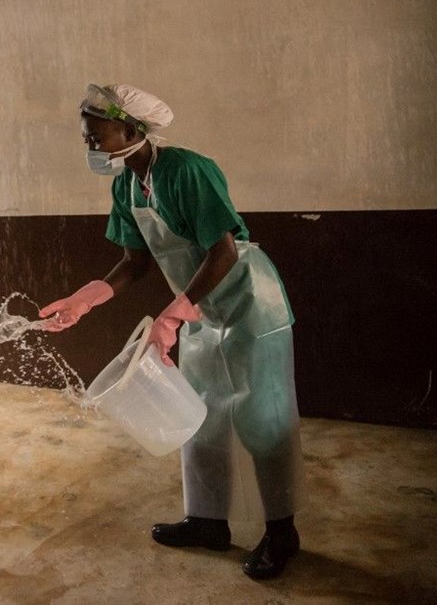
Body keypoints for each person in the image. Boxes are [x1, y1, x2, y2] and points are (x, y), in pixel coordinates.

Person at [40, 84, 306, 580]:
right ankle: (208, 522)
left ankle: (282, 532)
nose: (91, 147)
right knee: (199, 415)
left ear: (132, 130)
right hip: (198, 309)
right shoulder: (124, 186)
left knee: (261, 417)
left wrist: (171, 317)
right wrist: (83, 301)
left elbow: (223, 250)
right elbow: (133, 262)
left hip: (248, 303)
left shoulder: (187, 170)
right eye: (86, 138)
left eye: (97, 137)